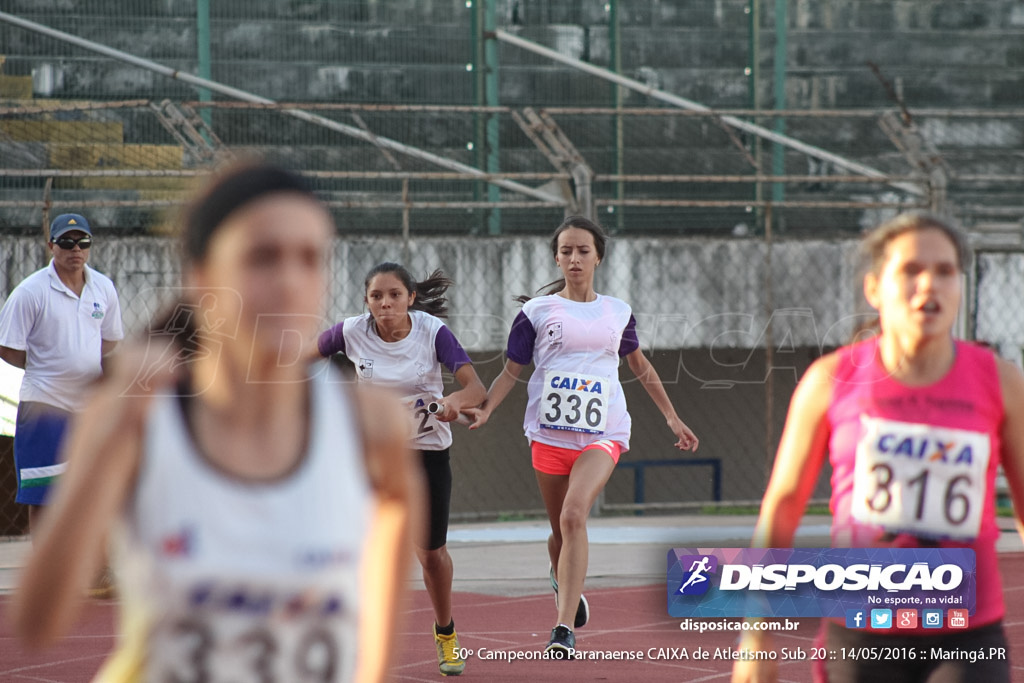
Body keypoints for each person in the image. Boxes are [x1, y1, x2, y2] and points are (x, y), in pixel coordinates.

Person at [11, 162, 421, 683]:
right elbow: (36, 623)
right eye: (262, 257)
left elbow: (375, 625)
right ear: (203, 276)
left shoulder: (372, 426)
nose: (290, 281)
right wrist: (109, 431)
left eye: (310, 259)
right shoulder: (143, 419)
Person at [731, 212, 1024, 683]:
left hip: (968, 635)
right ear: (875, 288)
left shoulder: (1002, 381)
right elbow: (782, 507)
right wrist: (756, 635)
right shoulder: (829, 380)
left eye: (945, 271)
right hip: (863, 633)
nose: (929, 283)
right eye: (911, 270)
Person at [465, 215, 699, 657]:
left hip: (603, 431)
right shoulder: (535, 313)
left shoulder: (617, 311)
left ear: (598, 258)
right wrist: (486, 410)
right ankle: (562, 577)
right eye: (566, 251)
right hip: (549, 436)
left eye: (583, 251)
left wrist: (671, 417)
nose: (574, 258)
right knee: (559, 529)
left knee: (574, 516)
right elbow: (510, 373)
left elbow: (639, 367)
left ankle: (562, 629)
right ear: (556, 257)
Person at [318, 262, 486, 677]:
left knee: (430, 554)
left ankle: (445, 630)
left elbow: (476, 389)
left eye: (394, 295)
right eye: (377, 296)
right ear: (366, 301)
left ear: (411, 298)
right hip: (375, 455)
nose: (385, 303)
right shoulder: (350, 332)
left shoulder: (432, 332)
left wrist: (454, 402)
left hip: (427, 452)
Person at [0, 213, 123, 538]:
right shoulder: (30, 292)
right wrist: (46, 365)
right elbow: (7, 346)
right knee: (42, 494)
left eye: (83, 242)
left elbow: (110, 339)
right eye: (67, 242)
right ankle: (44, 572)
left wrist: (81, 365)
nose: (75, 249)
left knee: (92, 490)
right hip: (44, 404)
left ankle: (91, 571)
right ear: (51, 244)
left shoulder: (103, 288)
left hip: (88, 408)